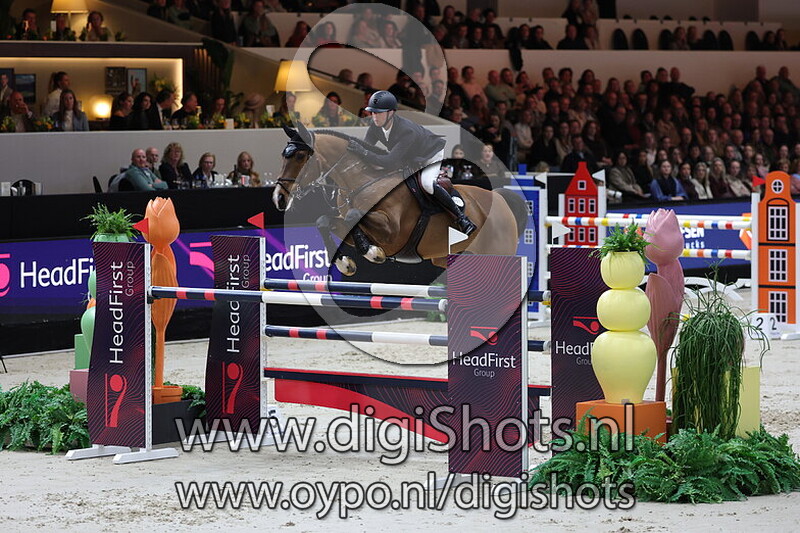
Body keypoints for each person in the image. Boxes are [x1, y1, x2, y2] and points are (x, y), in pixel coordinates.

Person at [346, 90, 476, 235]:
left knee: (427, 184)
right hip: (409, 157)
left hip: (430, 154)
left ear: (391, 113)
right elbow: (367, 146)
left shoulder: (407, 131)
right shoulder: (375, 126)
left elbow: (388, 161)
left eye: (378, 113)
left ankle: (462, 219)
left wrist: (363, 152)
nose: (374, 116)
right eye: (372, 112)